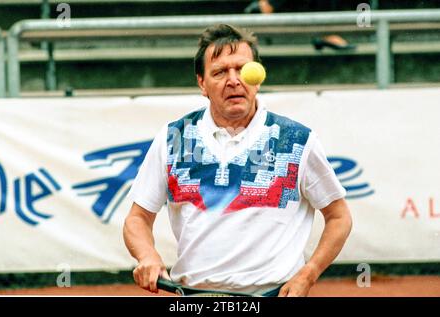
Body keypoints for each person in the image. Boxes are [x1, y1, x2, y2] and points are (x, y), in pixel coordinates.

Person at [123, 24, 352, 297]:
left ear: (257, 76)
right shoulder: (174, 138)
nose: (234, 80)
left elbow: (339, 217)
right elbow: (137, 219)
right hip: (194, 298)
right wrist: (147, 256)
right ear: (202, 83)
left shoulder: (298, 140)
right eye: (219, 72)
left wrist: (308, 274)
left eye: (242, 69)